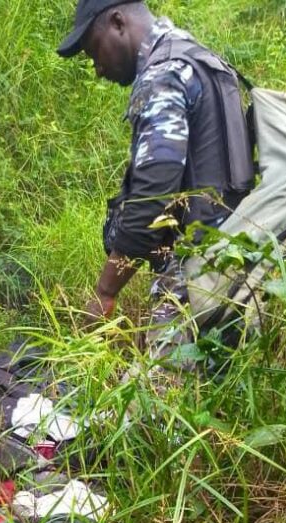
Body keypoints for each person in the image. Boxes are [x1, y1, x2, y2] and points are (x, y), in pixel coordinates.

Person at [57, 0, 255, 378]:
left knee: (159, 417)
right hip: (234, 257)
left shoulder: (164, 74)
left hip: (193, 273)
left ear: (118, 22)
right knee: (210, 398)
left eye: (94, 51)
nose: (97, 68)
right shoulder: (200, 58)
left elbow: (154, 194)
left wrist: (106, 290)